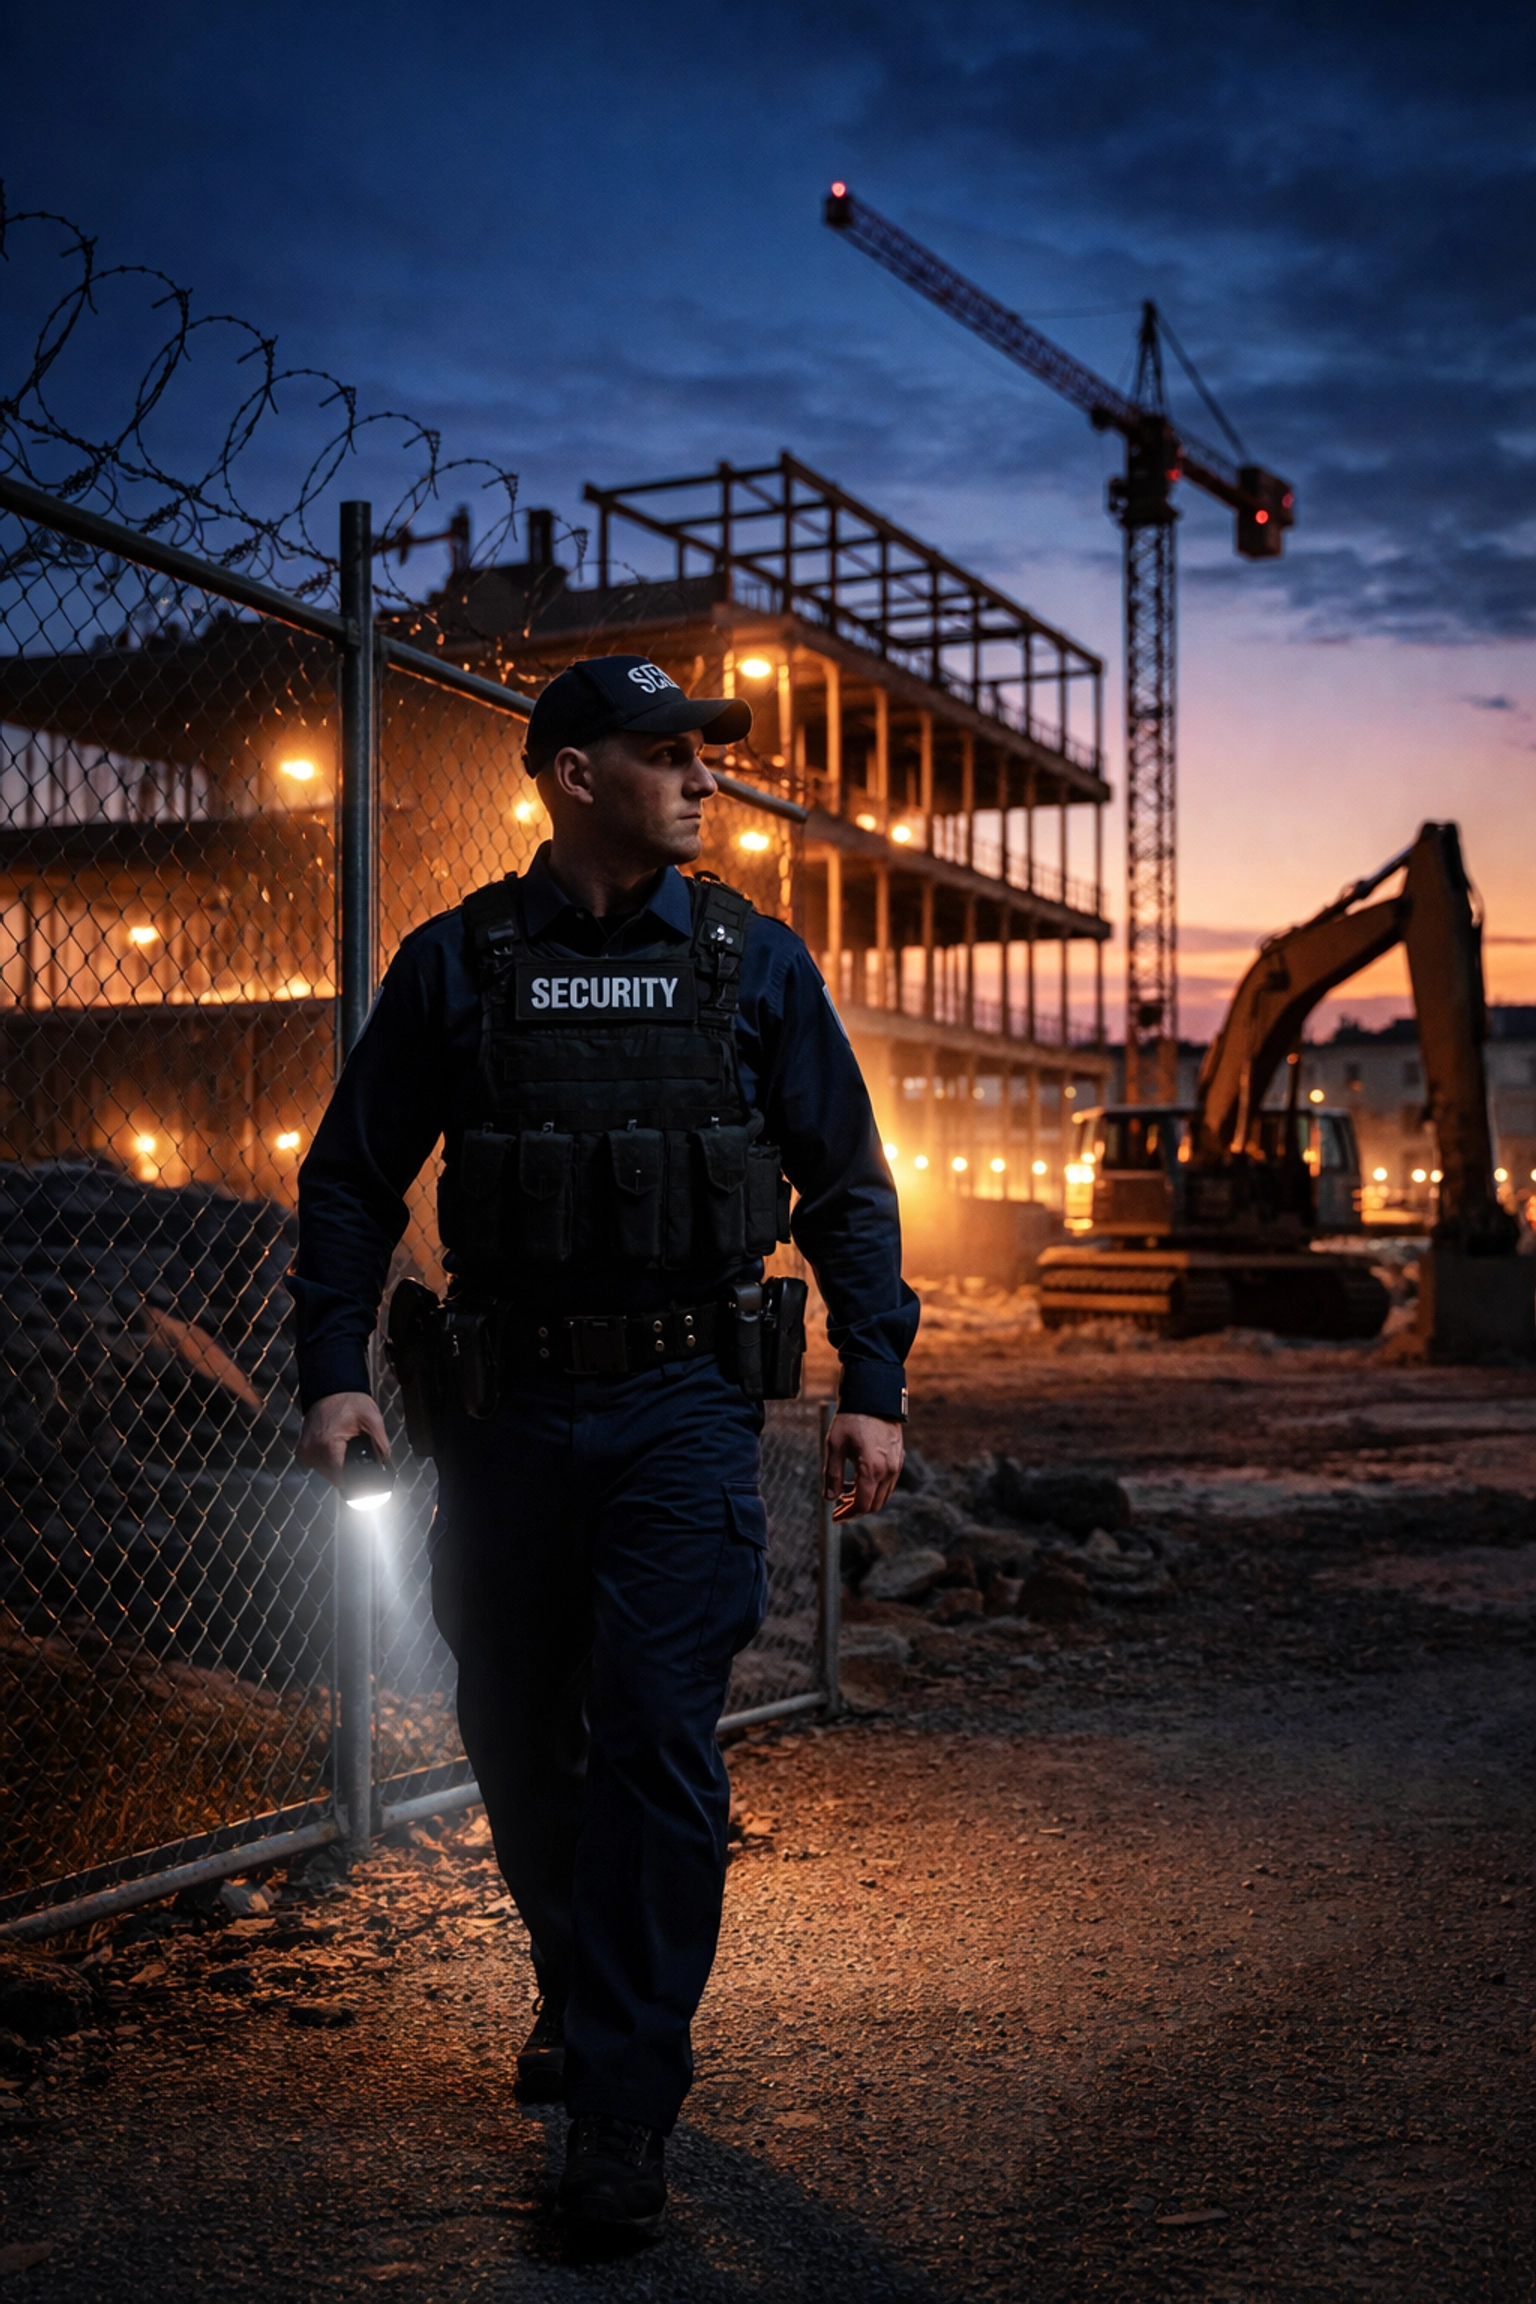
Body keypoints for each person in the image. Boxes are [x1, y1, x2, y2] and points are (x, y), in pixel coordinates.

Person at [291, 653, 917, 2243]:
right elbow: (355, 1179)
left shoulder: (750, 965)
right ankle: (583, 1991)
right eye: (672, 754)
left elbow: (845, 1183)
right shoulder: (460, 965)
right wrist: (331, 1371)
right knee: (514, 1727)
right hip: (498, 1415)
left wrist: (873, 1380)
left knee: (655, 1738)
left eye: (710, 754)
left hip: (683, 1408)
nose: (708, 779)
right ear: (575, 777)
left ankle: (621, 2108)